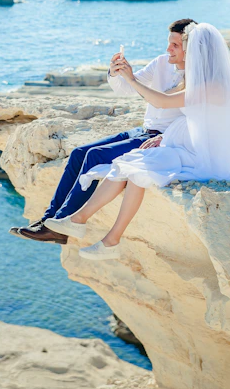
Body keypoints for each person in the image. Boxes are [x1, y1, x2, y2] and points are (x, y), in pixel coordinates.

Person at [44, 23, 230, 259]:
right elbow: (178, 105)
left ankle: (91, 228)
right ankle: (89, 227)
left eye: (177, 45)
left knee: (135, 166)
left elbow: (164, 102)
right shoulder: (195, 79)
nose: (169, 49)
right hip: (181, 137)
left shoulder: (214, 85)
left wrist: (132, 80)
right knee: (132, 166)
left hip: (201, 150)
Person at [10, 18, 196, 244]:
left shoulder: (199, 79)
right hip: (142, 129)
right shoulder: (160, 63)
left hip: (160, 138)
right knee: (79, 153)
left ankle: (62, 224)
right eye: (169, 43)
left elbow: (197, 120)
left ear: (189, 48)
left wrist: (164, 138)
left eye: (175, 45)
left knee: (94, 156)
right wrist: (116, 72)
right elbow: (126, 88)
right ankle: (48, 220)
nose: (168, 49)